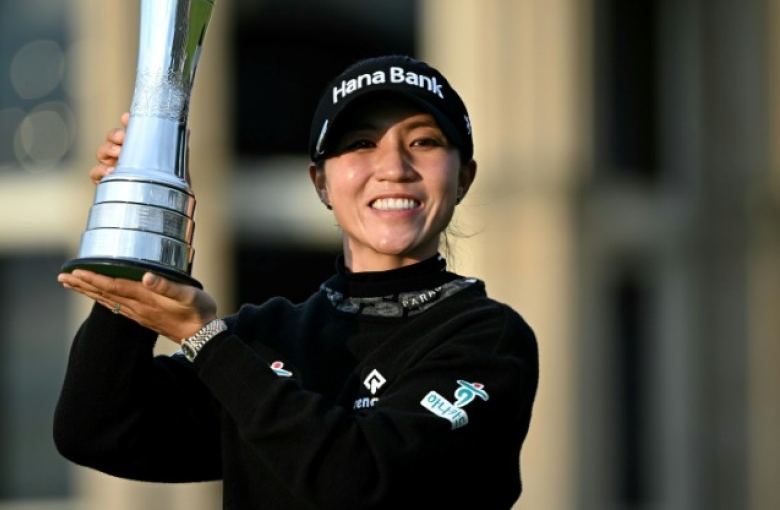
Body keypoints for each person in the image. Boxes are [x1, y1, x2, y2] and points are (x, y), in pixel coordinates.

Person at [54, 54, 539, 509]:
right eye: (360, 143)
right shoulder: (266, 338)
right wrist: (142, 223)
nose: (394, 168)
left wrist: (206, 341)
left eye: (423, 142)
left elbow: (364, 484)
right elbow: (98, 428)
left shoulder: (489, 340)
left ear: (463, 178)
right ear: (321, 182)